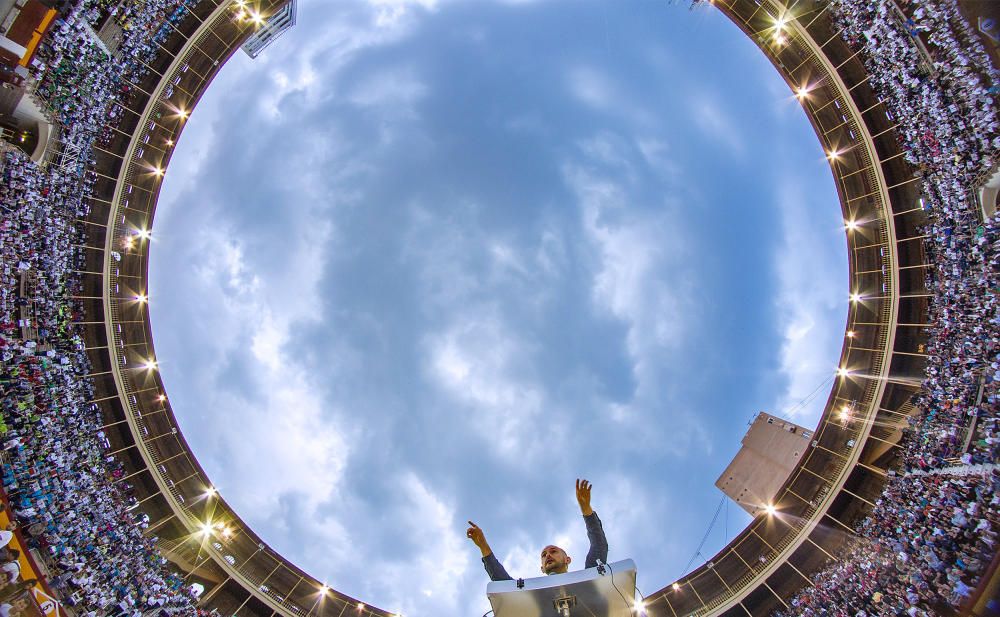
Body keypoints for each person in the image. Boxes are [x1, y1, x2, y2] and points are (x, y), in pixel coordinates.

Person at [466, 479, 608, 582]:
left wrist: (586, 509)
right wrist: (483, 546)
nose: (548, 556)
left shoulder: (588, 580)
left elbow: (599, 545)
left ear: (567, 560)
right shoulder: (532, 595)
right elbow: (504, 585)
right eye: (544, 555)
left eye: (553, 551)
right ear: (542, 568)